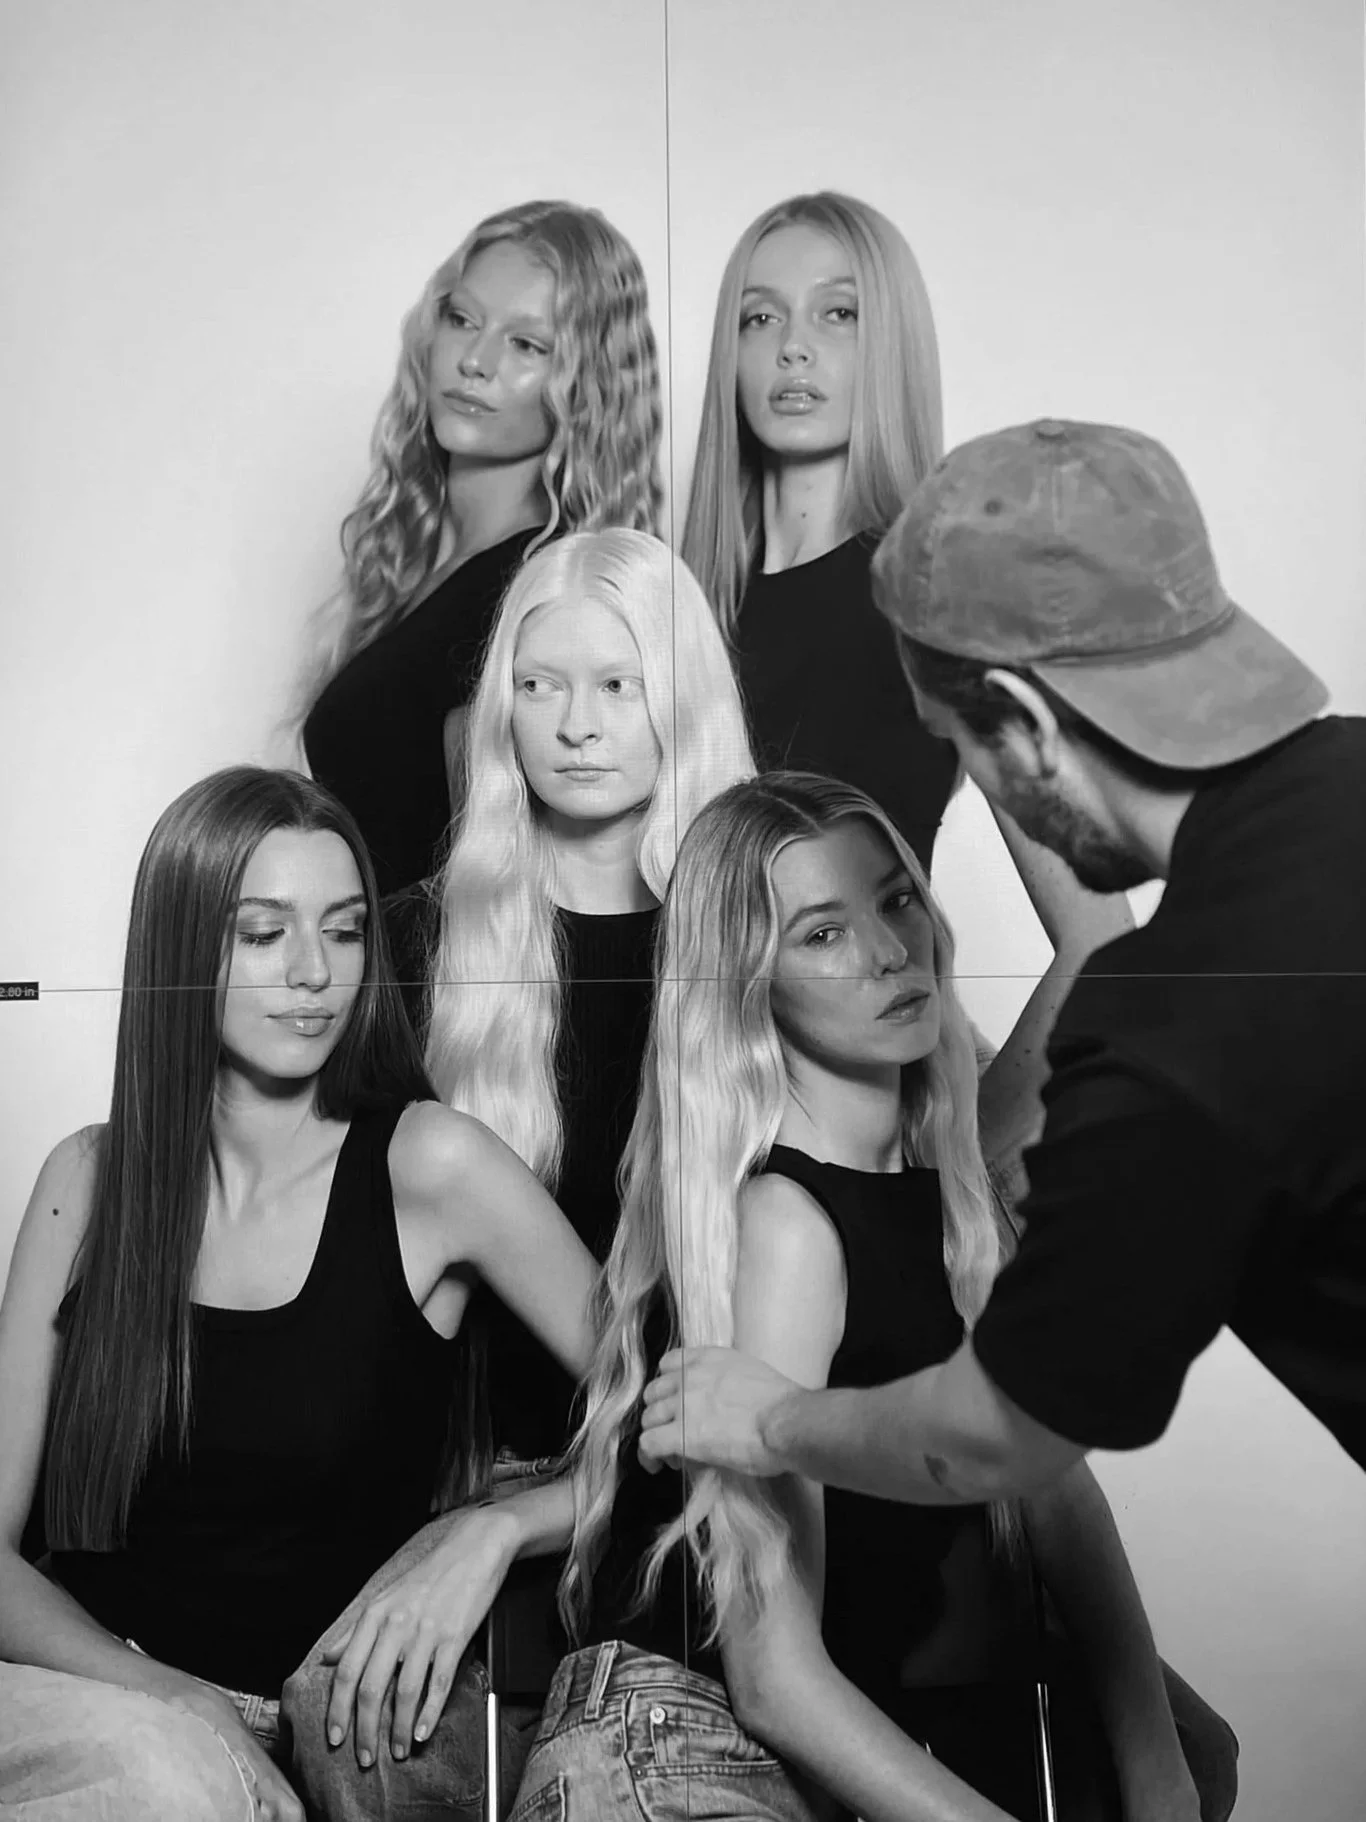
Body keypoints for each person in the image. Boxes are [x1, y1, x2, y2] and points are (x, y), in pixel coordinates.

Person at [637, 418, 1366, 1525]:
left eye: (959, 747)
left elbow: (991, 1440)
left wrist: (772, 1415)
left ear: (1020, 722)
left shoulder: (1164, 1035)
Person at [508, 773, 1235, 1822]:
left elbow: (1053, 1490)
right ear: (745, 982)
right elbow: (771, 1673)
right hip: (674, 1743)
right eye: (821, 933)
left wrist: (1158, 1760)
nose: (887, 950)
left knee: (1196, 1756)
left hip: (803, 1744)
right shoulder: (786, 1227)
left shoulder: (949, 1203)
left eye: (895, 899)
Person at [0, 768, 600, 1822]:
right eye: (263, 933)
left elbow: (687, 1420)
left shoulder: (435, 1166)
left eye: (346, 929)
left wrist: (498, 1530)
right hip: (95, 1707)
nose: (315, 972)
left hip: (331, 1732)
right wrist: (178, 1707)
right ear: (184, 950)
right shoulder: (85, 1182)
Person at [281, 528, 755, 1818]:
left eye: (617, 683)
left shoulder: (769, 952)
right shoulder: (418, 946)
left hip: (711, 1489)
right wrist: (478, 1517)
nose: (575, 725)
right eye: (538, 685)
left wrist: (525, 1520)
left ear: (682, 699)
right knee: (349, 1722)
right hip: (465, 1488)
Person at [682, 192, 1133, 1185]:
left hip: (861, 1174)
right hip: (693, 1153)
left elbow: (1102, 942)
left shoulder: (937, 603)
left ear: (886, 346)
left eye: (836, 314)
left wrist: (962, 1152)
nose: (792, 349)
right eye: (759, 318)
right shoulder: (674, 612)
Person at [298, 200, 663, 1009]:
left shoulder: (531, 592)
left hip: (452, 1043)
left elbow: (506, 896)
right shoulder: (426, 572)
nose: (476, 361)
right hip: (380, 1019)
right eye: (463, 320)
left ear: (585, 385)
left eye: (527, 344)